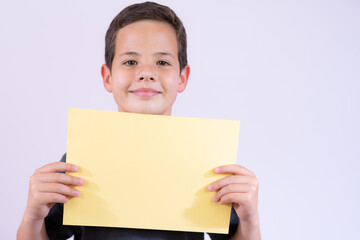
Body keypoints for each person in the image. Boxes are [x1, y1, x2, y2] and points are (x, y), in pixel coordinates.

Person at [17, 2, 261, 240]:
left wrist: (251, 221)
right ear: (108, 77)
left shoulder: (208, 164)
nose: (146, 73)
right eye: (130, 62)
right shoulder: (81, 160)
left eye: (162, 62)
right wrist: (32, 217)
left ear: (182, 78)